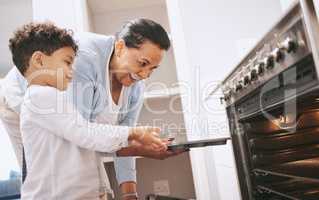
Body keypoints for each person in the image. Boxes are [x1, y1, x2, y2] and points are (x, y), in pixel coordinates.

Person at [0, 18, 186, 200]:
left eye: (152, 69)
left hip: (74, 125)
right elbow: (81, 136)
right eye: (143, 63)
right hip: (18, 99)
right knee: (80, 180)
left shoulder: (136, 85)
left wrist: (130, 194)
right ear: (120, 47)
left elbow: (116, 134)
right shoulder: (81, 62)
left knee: (91, 184)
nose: (145, 75)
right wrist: (136, 141)